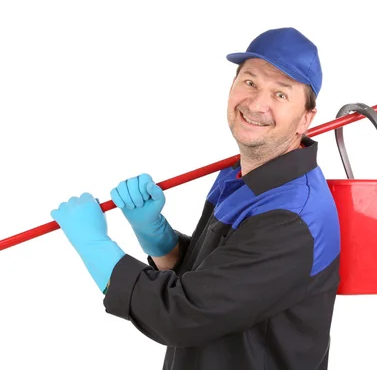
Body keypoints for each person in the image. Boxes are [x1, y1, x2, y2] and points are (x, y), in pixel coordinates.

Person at [49, 27, 342, 369]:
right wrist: (158, 237)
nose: (257, 103)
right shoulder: (242, 177)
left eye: (280, 94)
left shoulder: (290, 218)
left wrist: (95, 245)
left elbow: (182, 315)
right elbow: (213, 281)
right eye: (250, 82)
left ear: (305, 118)